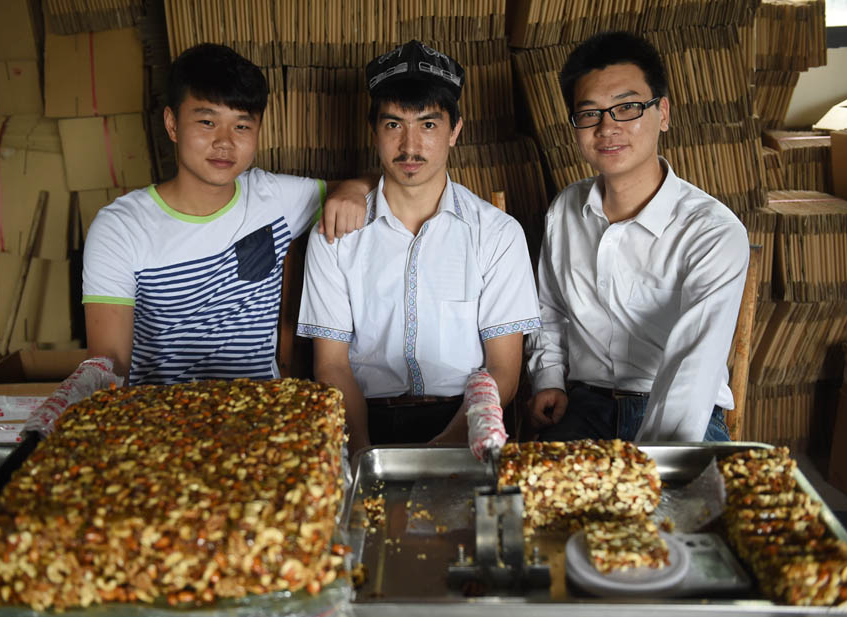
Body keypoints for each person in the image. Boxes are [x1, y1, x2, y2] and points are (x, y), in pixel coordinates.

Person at [297, 40, 540, 456]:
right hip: (362, 420)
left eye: (428, 125)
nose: (410, 146)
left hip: (465, 423)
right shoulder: (335, 233)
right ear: (374, 129)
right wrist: (364, 453)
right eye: (394, 125)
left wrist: (443, 451)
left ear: (455, 130)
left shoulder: (497, 233)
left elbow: (503, 370)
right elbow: (331, 365)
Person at [83, 43, 371, 385]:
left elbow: (380, 186)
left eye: (242, 126)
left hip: (262, 409)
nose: (225, 142)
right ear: (172, 124)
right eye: (207, 122)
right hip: (160, 412)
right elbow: (108, 368)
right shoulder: (120, 228)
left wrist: (354, 188)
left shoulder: (273, 198)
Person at [526, 31, 749, 443]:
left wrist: (651, 462)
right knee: (524, 485)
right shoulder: (565, 210)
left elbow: (694, 368)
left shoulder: (712, 231)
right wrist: (549, 378)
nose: (607, 127)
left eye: (627, 107)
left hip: (682, 412)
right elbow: (551, 310)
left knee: (694, 489)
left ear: (663, 113)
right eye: (589, 113)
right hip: (584, 407)